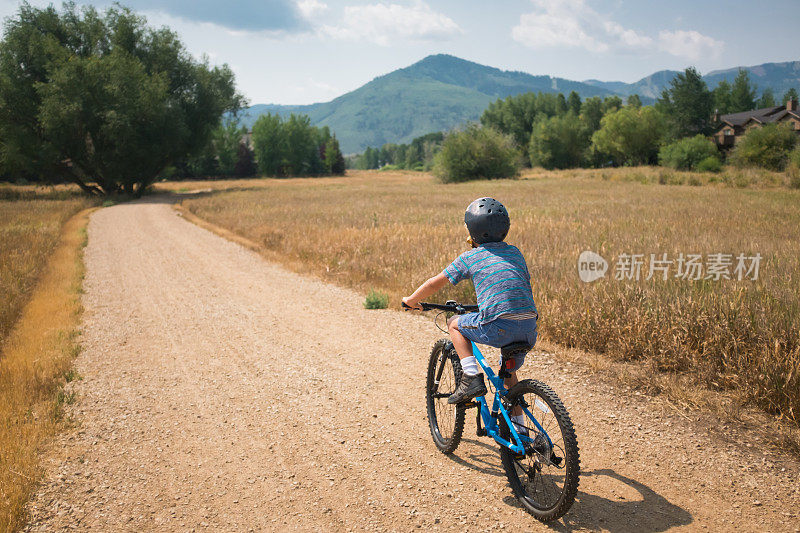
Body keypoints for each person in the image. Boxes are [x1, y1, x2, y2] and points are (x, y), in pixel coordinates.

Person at [402, 197, 538, 430]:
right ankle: (523, 433)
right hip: (528, 326)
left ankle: (471, 376)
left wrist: (412, 300)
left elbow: (435, 283)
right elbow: (516, 284)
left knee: (455, 323)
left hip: (498, 323)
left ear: (473, 231)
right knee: (508, 376)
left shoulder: (470, 257)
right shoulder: (515, 253)